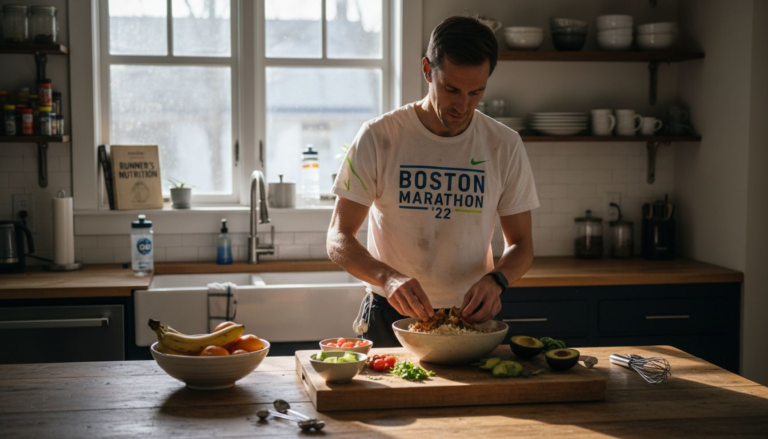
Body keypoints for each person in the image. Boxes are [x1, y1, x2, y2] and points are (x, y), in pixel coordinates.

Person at [327, 16, 539, 347]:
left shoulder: (503, 144)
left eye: (476, 92)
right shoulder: (379, 136)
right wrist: (387, 277)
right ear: (427, 70)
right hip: (390, 312)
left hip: (469, 317)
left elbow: (522, 243)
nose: (463, 106)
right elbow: (338, 237)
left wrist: (497, 280)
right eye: (451, 89)